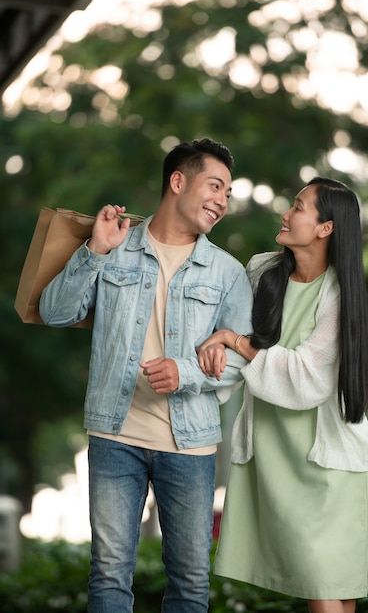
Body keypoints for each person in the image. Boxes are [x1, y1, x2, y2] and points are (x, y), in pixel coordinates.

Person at [39, 137, 253, 613]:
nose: (222, 200)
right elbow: (54, 312)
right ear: (177, 181)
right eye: (215, 186)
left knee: (191, 584)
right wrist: (95, 249)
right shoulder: (114, 246)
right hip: (115, 436)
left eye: (228, 193)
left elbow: (241, 358)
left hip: (191, 444)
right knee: (110, 577)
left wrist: (186, 373)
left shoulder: (227, 273)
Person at [197, 177, 368, 613]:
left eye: (298, 207)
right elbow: (213, 313)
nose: (286, 213)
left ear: (325, 228)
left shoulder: (339, 292)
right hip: (273, 453)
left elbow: (308, 376)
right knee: (329, 591)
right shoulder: (260, 272)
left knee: (331, 588)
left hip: (325, 462)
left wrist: (236, 341)